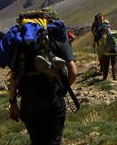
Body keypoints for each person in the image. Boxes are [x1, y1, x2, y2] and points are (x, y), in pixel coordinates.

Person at [7, 10, 78, 145]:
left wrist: (13, 103)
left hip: (28, 100)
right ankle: (49, 68)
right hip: (53, 96)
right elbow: (73, 72)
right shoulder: (58, 36)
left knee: (37, 141)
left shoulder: (21, 41)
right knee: (53, 141)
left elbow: (13, 77)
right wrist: (62, 91)